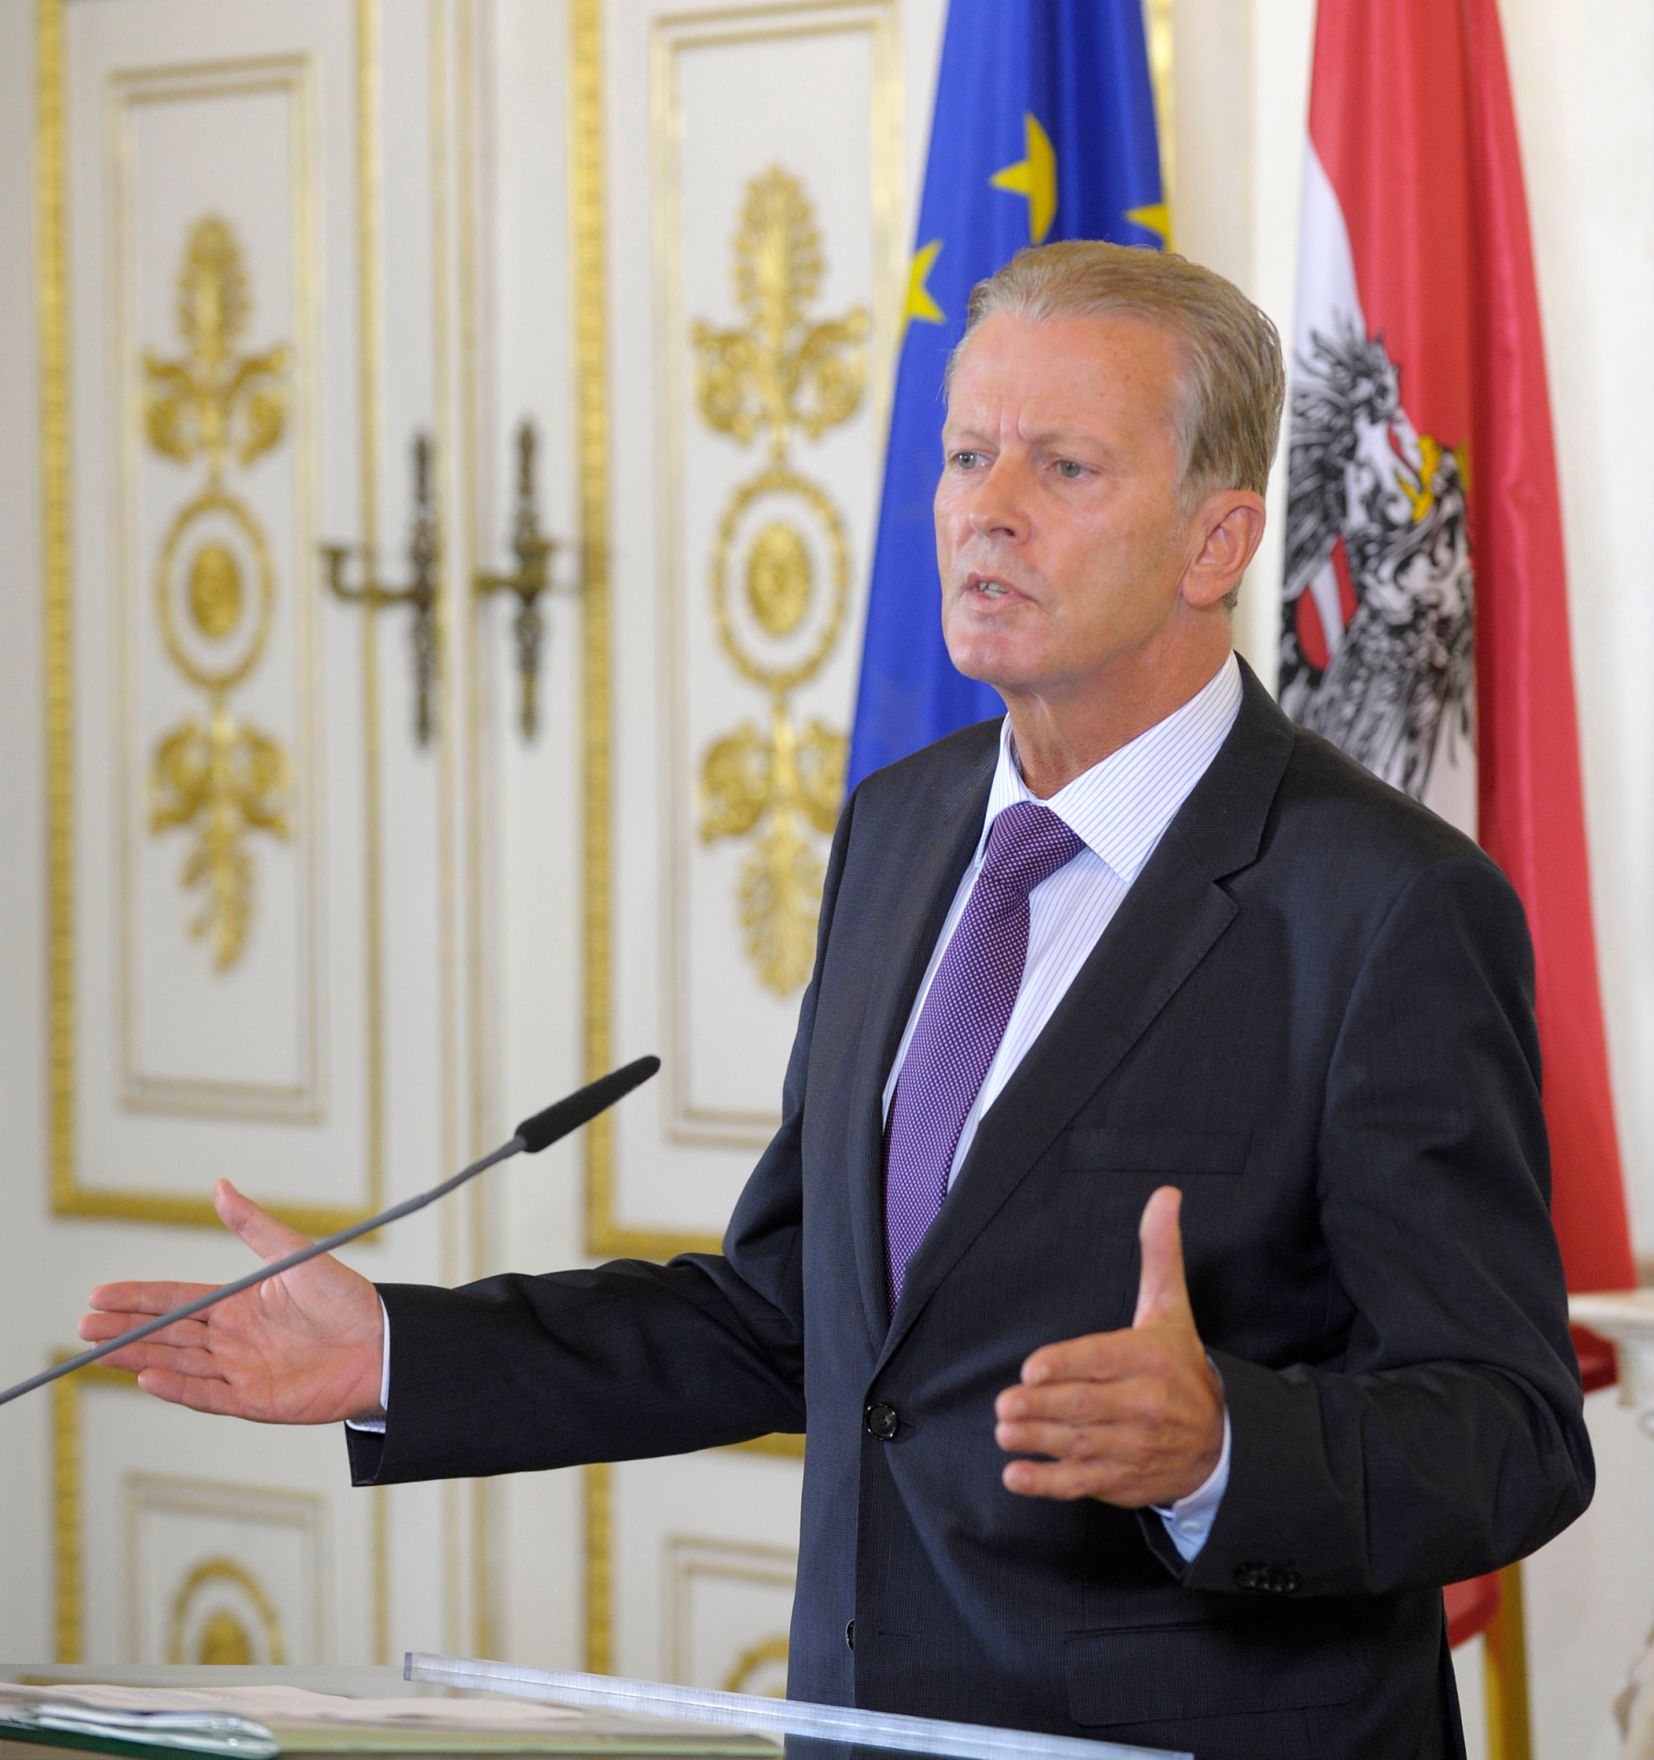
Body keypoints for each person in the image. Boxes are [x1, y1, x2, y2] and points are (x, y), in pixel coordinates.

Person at [82, 241, 1592, 1760]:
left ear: (1217, 542)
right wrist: (399, 1357)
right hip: (864, 1726)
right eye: (962, 455)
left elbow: (1512, 1430)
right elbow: (796, 1315)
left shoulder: (1386, 904)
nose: (982, 511)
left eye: (1061, 467)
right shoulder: (904, 824)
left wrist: (1219, 1448)